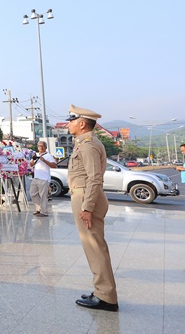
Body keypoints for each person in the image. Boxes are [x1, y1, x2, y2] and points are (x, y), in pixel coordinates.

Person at [67, 104, 118, 312]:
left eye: (71, 120)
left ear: (81, 123)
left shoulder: (88, 145)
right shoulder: (84, 143)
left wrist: (87, 207)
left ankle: (106, 296)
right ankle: (102, 291)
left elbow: (94, 178)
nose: (68, 124)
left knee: (95, 247)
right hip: (86, 196)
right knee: (95, 246)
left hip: (87, 198)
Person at [29, 141, 57, 217]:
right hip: (36, 177)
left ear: (45, 147)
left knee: (43, 195)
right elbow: (31, 165)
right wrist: (33, 159)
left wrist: (44, 160)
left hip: (44, 178)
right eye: (39, 146)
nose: (40, 147)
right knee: (32, 193)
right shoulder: (36, 155)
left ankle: (44, 211)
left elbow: (54, 165)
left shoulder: (48, 156)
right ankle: (39, 208)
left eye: (41, 146)